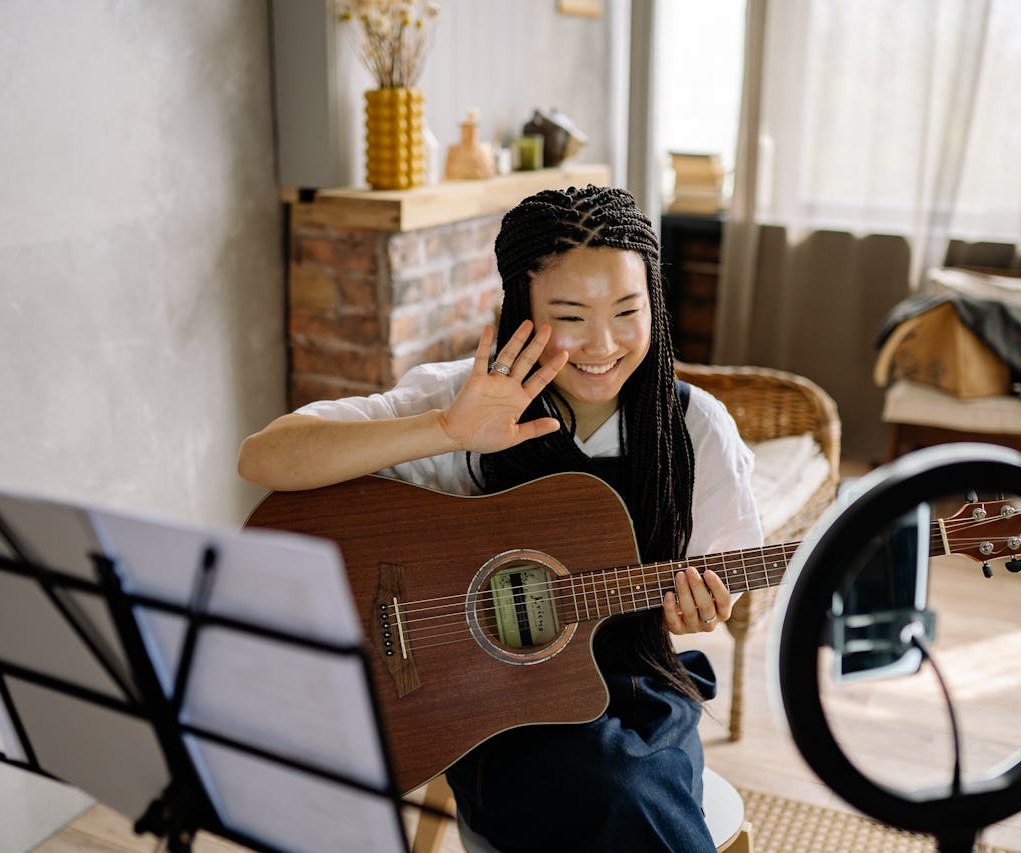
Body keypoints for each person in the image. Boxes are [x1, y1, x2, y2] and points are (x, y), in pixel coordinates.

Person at [238, 184, 763, 851]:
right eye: (571, 316)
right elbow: (264, 458)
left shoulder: (694, 428)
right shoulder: (463, 396)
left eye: (628, 311)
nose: (602, 344)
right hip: (489, 701)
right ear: (523, 308)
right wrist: (444, 428)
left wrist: (705, 611)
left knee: (635, 793)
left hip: (640, 687)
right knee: (617, 798)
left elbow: (723, 572)